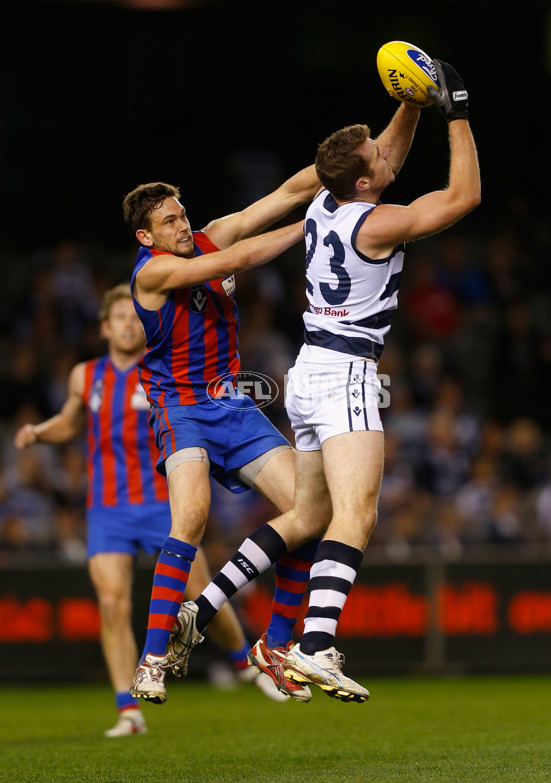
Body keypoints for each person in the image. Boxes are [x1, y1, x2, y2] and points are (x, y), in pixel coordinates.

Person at [169, 58, 481, 702]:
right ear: (366, 178)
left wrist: (413, 102)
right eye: (375, 154)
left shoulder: (325, 201)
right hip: (346, 374)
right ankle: (314, 647)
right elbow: (463, 198)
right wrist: (459, 111)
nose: (384, 153)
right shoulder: (380, 221)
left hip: (308, 368)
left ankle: (203, 605)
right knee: (356, 515)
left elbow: (382, 158)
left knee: (308, 513)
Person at [13, 285, 288, 739]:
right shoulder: (86, 376)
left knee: (200, 591)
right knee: (111, 602)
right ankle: (128, 710)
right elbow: (70, 419)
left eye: (132, 317)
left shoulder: (163, 371)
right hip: (108, 509)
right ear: (104, 327)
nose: (126, 324)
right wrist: (40, 433)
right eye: (117, 318)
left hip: (164, 501)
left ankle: (245, 664)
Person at [124, 167, 331, 705]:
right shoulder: (152, 273)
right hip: (181, 409)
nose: (182, 225)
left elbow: (287, 192)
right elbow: (236, 261)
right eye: (168, 221)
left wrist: (345, 165)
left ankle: (276, 646)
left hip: (233, 406)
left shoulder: (211, 233)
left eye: (183, 214)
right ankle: (152, 660)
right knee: (190, 518)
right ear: (146, 237)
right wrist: (317, 225)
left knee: (311, 513)